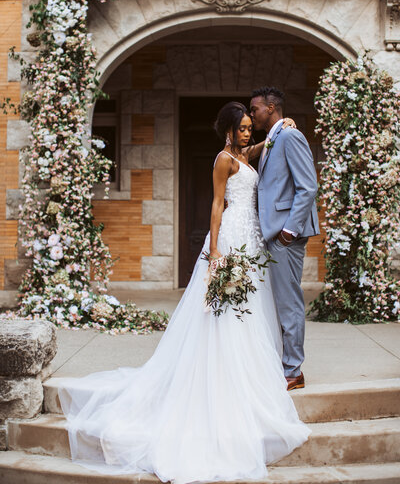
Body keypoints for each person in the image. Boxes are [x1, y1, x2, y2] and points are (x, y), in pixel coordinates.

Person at [58, 101, 311, 484]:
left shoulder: (247, 152)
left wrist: (283, 125)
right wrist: (214, 251)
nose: (248, 132)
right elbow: (216, 204)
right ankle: (225, 368)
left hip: (253, 237)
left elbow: (268, 143)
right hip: (229, 237)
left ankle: (255, 365)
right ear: (229, 130)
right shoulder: (223, 160)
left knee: (256, 306)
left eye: (249, 127)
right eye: (242, 128)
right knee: (225, 307)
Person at [250, 88, 319, 391]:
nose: (252, 115)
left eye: (255, 109)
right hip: (271, 233)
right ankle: (283, 362)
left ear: (271, 107)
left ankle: (293, 370)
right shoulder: (273, 139)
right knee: (277, 302)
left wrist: (290, 229)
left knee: (289, 303)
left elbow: (308, 186)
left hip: (285, 235)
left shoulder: (290, 137)